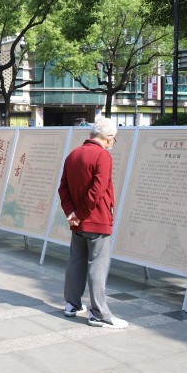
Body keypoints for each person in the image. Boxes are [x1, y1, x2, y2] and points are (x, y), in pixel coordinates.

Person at [58, 117, 127, 329]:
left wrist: (72, 213)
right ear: (109, 137)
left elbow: (63, 188)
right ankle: (99, 314)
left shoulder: (73, 154)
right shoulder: (102, 156)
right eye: (113, 139)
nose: (112, 142)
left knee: (76, 261)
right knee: (97, 266)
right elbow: (98, 190)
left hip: (77, 222)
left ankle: (72, 304)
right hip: (97, 220)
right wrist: (80, 213)